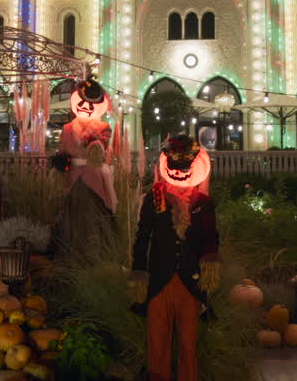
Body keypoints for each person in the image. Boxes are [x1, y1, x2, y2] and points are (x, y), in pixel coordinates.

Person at [129, 134, 220, 381]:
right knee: (157, 343)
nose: (179, 172)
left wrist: (211, 263)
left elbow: (211, 236)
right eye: (174, 167)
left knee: (188, 345)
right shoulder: (155, 196)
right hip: (159, 280)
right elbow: (143, 236)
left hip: (190, 283)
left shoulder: (203, 201)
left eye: (184, 167)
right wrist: (139, 271)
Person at [53, 78, 117, 259]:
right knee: (72, 217)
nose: (85, 107)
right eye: (81, 102)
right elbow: (62, 153)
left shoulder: (103, 127)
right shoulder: (66, 129)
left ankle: (93, 256)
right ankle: (71, 255)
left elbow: (100, 147)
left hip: (93, 177)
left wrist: (94, 144)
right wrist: (61, 166)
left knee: (93, 215)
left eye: (91, 104)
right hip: (72, 177)